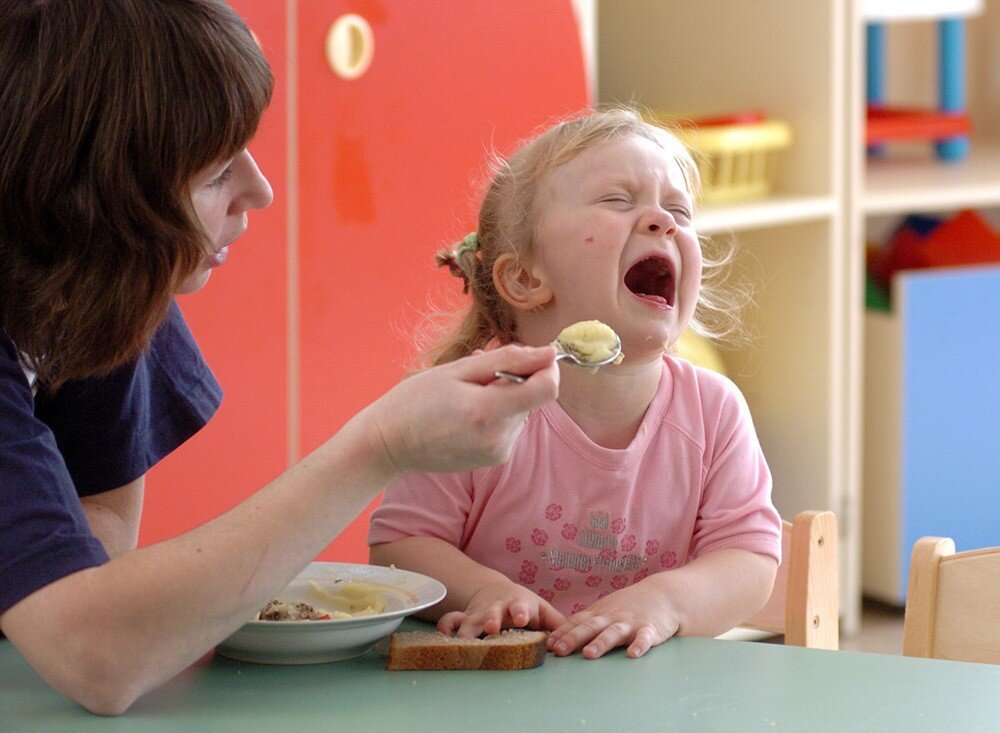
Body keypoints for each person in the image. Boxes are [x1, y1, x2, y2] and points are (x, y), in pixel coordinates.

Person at [0, 0, 558, 716]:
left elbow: (93, 535)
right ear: (96, 198)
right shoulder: (112, 254)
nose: (259, 191)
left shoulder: (101, 278)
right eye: (214, 173)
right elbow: (99, 656)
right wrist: (378, 446)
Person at [368, 108, 782, 661]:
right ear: (525, 277)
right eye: (618, 200)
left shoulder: (713, 411)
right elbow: (399, 545)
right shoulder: (476, 404)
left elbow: (749, 559)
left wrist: (666, 602)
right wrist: (484, 591)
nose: (664, 220)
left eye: (678, 209)